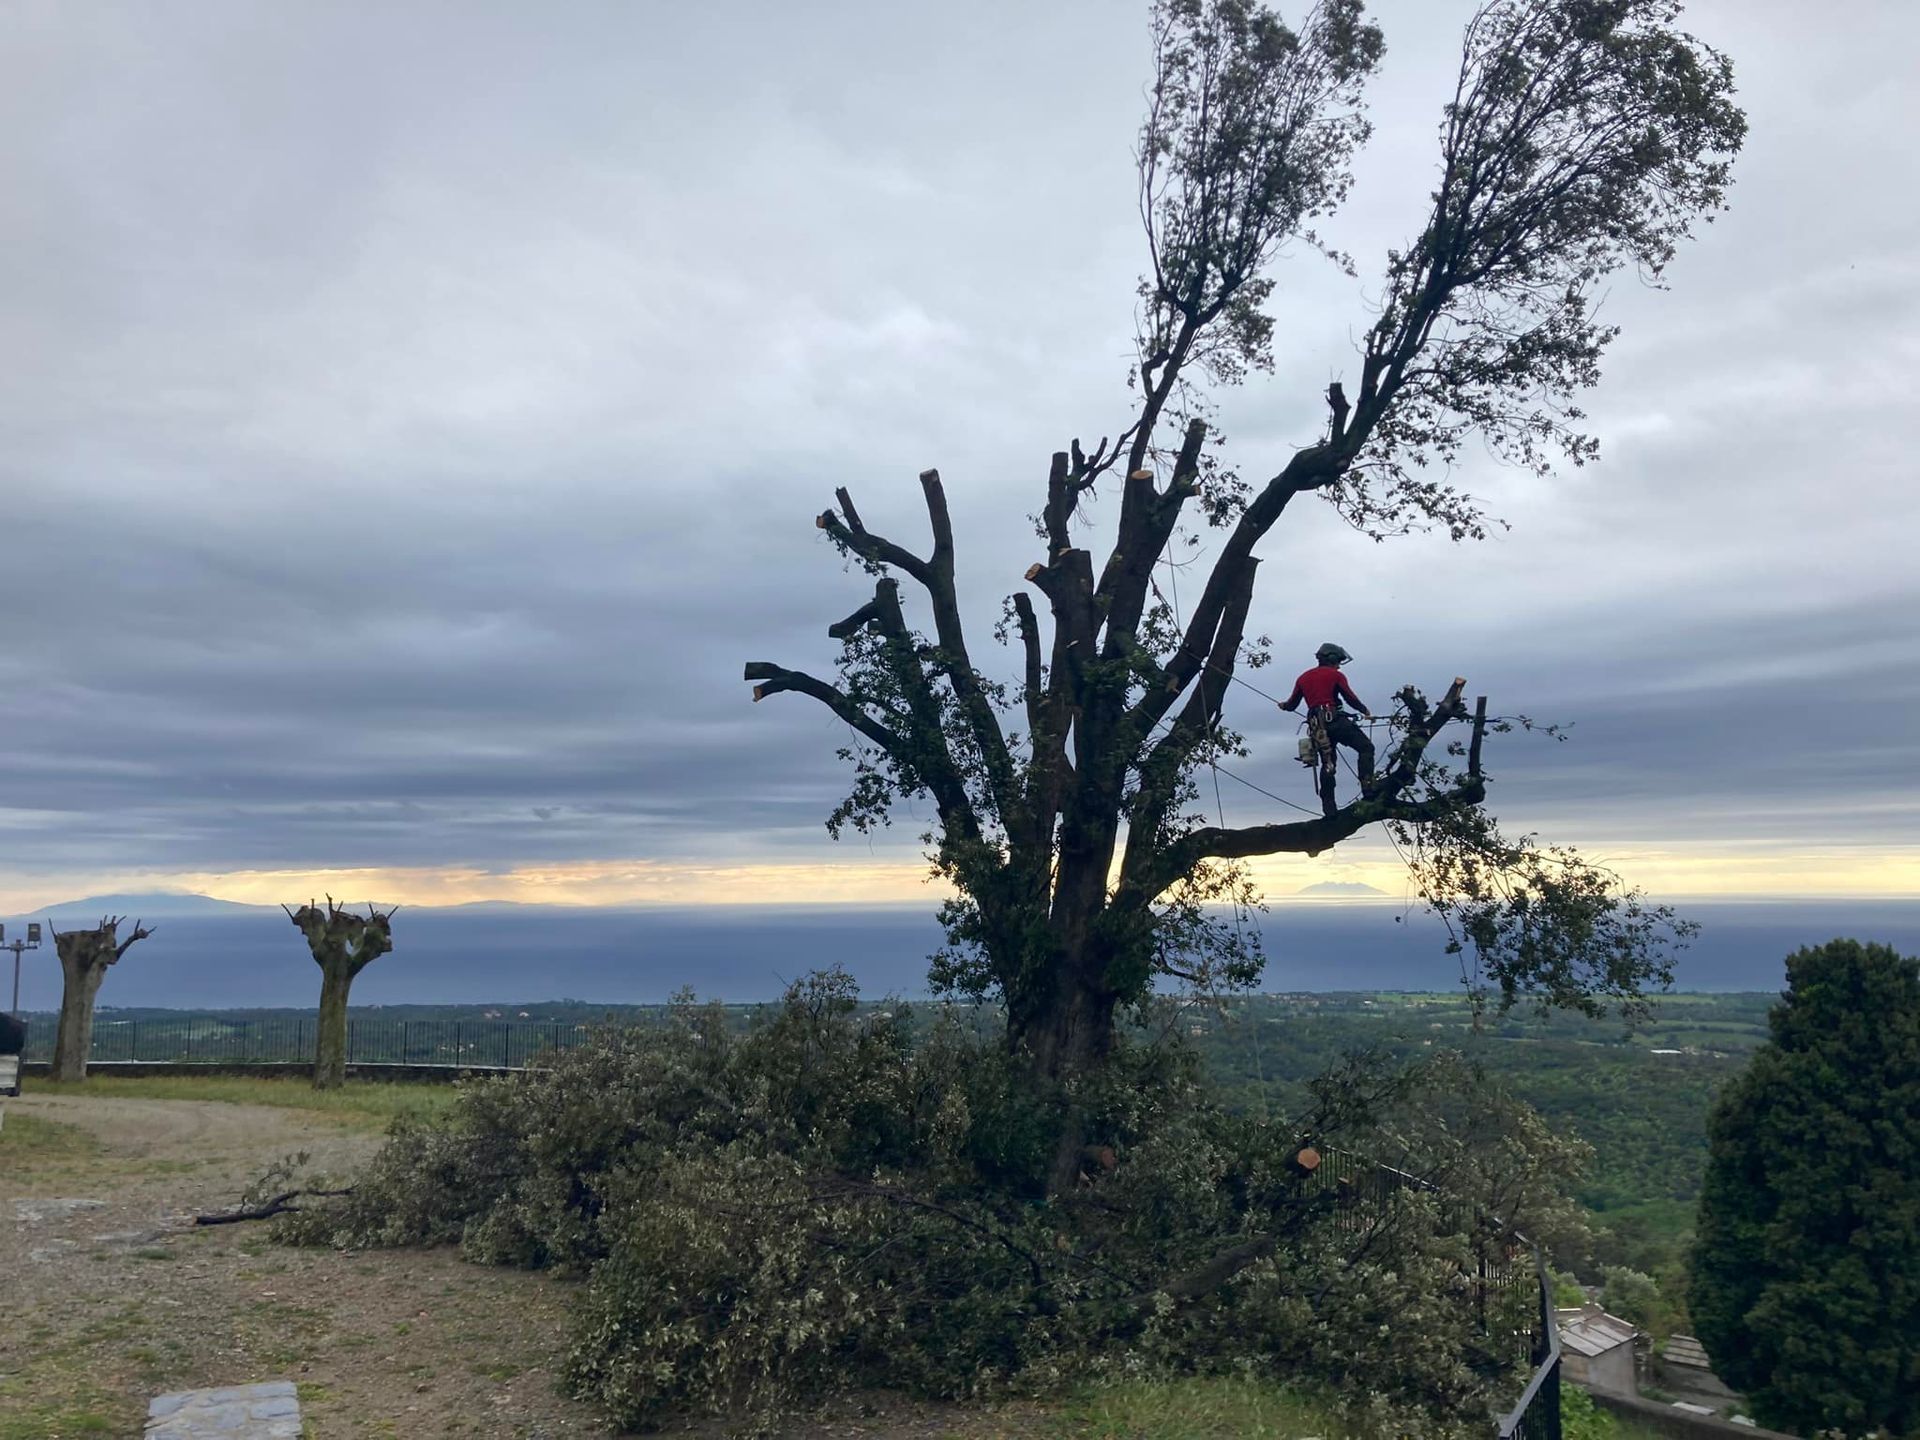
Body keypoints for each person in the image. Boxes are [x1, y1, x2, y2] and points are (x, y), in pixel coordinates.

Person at [1278, 642, 1375, 816]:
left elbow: (1292, 705)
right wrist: (1364, 710)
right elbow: (1349, 697)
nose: (1339, 666)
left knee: (1328, 764)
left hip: (1318, 727)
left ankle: (1329, 809)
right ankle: (1368, 789)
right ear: (1331, 659)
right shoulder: (1335, 675)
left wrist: (1284, 705)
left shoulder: (1303, 678)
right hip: (1335, 721)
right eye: (1338, 661)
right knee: (1366, 748)